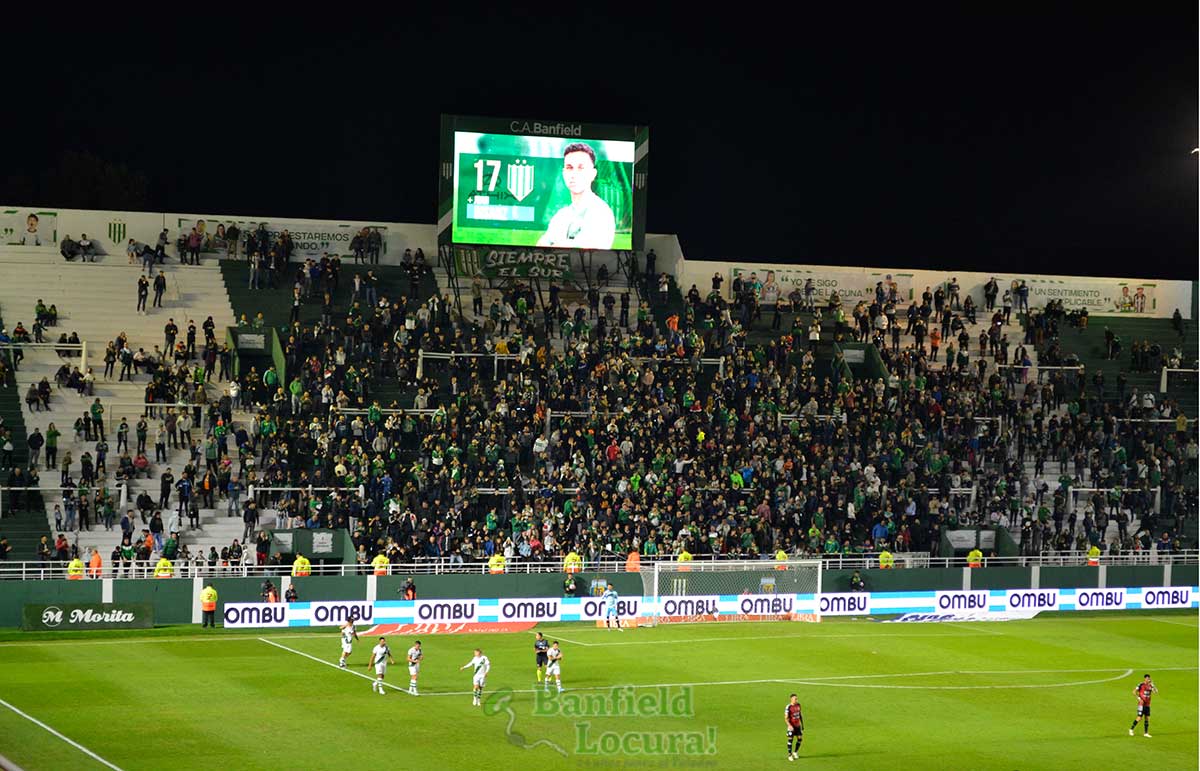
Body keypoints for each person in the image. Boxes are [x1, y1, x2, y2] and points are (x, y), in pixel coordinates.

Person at [536, 142, 616, 250]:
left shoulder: (601, 212)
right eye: (569, 168)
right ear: (564, 173)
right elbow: (539, 247)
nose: (574, 174)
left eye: (581, 168)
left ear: (593, 174)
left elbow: (585, 254)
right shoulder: (561, 216)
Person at [785, 693, 805, 761]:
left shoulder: (798, 705)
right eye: (795, 699)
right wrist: (789, 725)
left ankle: (795, 752)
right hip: (791, 726)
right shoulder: (788, 707)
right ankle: (789, 755)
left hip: (798, 726)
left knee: (800, 739)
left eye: (796, 698)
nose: (796, 700)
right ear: (791, 699)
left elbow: (800, 715)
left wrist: (802, 725)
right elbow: (786, 718)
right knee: (790, 740)